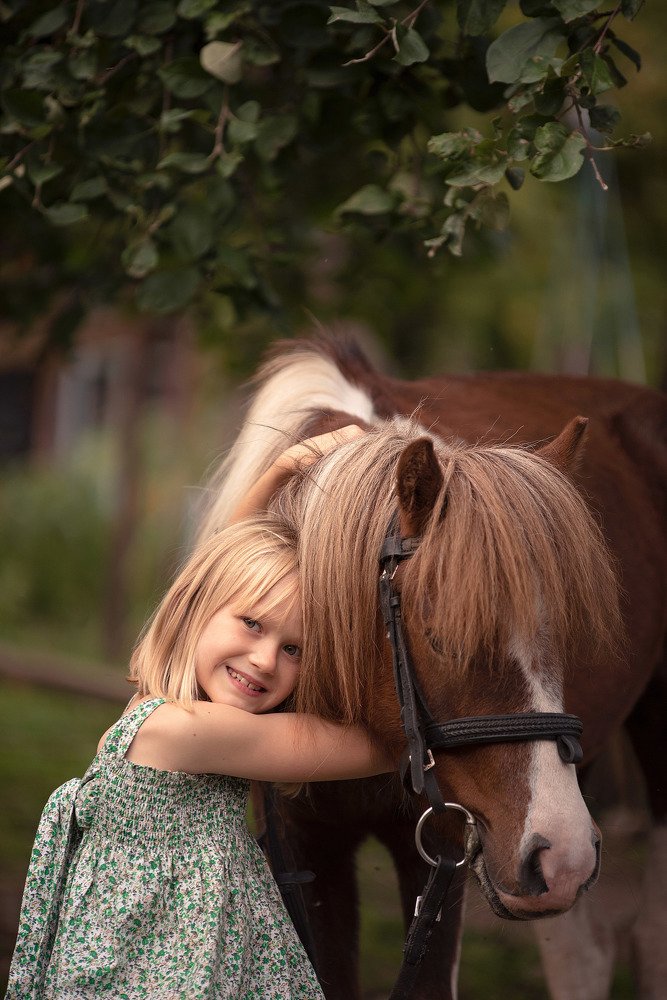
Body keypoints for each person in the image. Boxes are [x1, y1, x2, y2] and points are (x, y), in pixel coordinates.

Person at [5, 427, 390, 1000]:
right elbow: (373, 749)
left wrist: (287, 465)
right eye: (253, 625)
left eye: (295, 650)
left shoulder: (163, 706)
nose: (264, 660)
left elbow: (220, 568)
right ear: (195, 609)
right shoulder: (187, 731)